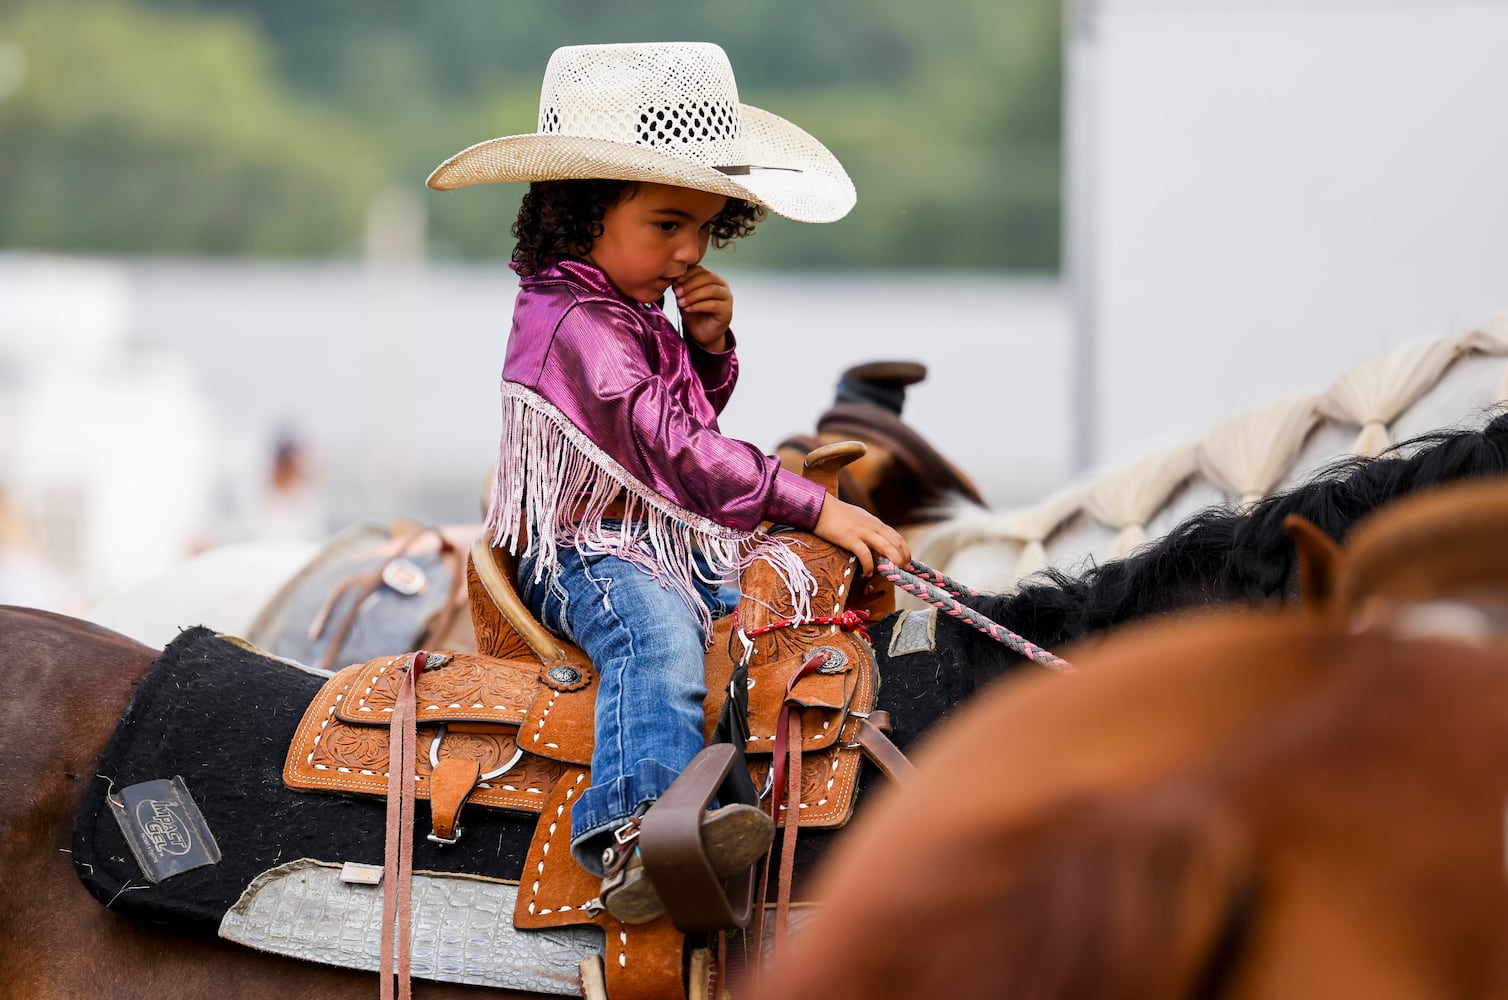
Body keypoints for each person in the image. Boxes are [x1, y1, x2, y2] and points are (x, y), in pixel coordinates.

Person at [426, 41, 910, 923]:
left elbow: (680, 422)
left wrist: (708, 352)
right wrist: (811, 504)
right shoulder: (572, 318)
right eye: (666, 224)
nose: (690, 251)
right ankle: (634, 835)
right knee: (655, 642)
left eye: (703, 227)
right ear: (583, 214)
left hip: (649, 536)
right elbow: (674, 451)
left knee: (778, 613)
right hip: (584, 550)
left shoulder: (626, 308)